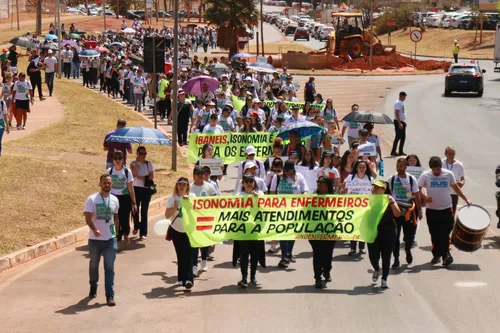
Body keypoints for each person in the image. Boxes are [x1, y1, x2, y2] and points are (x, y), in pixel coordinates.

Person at [418, 156, 471, 267]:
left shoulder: (448, 174)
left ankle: (446, 255)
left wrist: (466, 199)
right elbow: (417, 189)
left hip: (446, 208)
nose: (436, 172)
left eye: (437, 169)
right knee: (434, 233)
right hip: (432, 210)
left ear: (441, 167)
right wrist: (424, 197)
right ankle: (436, 255)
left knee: (445, 232)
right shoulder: (425, 175)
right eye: (434, 170)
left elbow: (456, 188)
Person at [83, 174, 119, 306]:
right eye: (105, 183)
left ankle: (110, 295)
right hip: (95, 240)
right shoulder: (92, 199)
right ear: (100, 184)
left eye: (109, 183)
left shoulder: (115, 200)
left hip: (110, 238)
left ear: (112, 184)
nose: (107, 185)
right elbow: (87, 217)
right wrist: (94, 230)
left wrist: (117, 234)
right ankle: (93, 286)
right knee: (94, 265)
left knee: (109, 267)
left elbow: (116, 218)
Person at [270, 160, 309, 268]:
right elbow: (272, 193)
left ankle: (289, 253)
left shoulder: (299, 177)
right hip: (281, 210)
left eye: (289, 171)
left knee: (292, 233)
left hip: (295, 211)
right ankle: (284, 257)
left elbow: (305, 191)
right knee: (283, 233)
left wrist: (304, 198)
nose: (287, 173)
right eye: (285, 171)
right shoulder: (277, 177)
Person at [387, 158, 421, 268]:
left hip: (408, 211)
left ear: (405, 167)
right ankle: (396, 259)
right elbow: (386, 195)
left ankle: (408, 250)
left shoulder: (411, 179)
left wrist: (419, 210)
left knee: (409, 236)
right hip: (396, 211)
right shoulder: (391, 179)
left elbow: (416, 195)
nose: (399, 168)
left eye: (401, 166)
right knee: (395, 237)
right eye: (397, 166)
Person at [234, 173, 265, 288]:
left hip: (256, 230)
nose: (248, 183)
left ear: (254, 183)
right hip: (243, 230)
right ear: (242, 184)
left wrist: (258, 199)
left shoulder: (260, 194)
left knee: (255, 255)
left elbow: (266, 209)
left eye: (250, 181)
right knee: (244, 254)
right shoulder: (239, 196)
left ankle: (253, 276)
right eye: (246, 181)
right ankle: (244, 278)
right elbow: (234, 211)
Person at [368, 180, 401, 289]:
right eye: (375, 187)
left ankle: (384, 279)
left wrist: (391, 202)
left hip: (389, 231)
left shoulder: (389, 199)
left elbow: (397, 214)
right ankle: (377, 269)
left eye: (379, 187)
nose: (376, 189)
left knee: (386, 256)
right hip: (373, 230)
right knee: (373, 256)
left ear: (384, 190)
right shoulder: (368, 199)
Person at [165, 177, 195, 289]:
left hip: (188, 230)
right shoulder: (172, 199)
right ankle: (181, 278)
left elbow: (196, 213)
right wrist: (175, 207)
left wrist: (188, 204)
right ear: (177, 186)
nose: (181, 186)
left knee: (189, 254)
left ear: (187, 186)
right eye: (179, 184)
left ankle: (189, 279)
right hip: (176, 230)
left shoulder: (192, 198)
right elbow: (167, 215)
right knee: (180, 254)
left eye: (184, 184)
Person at [343, 160, 375, 256]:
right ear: (356, 168)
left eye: (363, 167)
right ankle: (353, 248)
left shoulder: (370, 179)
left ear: (366, 168)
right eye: (360, 167)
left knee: (363, 227)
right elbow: (344, 189)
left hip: (365, 208)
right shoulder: (350, 178)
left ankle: (361, 247)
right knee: (353, 227)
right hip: (353, 207)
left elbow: (374, 192)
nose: (362, 169)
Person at [309, 176, 336, 289]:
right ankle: (318, 278)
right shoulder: (312, 198)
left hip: (330, 232)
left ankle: (327, 270)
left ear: (328, 185)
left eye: (322, 183)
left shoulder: (334, 199)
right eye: (318, 182)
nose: (319, 185)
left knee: (328, 255)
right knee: (317, 254)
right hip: (315, 231)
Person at [106, 151, 137, 248]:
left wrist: (134, 202)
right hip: (113, 198)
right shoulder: (109, 171)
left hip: (124, 198)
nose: (118, 160)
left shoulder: (127, 172)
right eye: (116, 159)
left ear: (123, 160)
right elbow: (106, 187)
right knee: (115, 220)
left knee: (124, 219)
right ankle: (117, 242)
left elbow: (131, 189)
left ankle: (126, 234)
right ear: (113, 160)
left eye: (120, 158)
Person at [191, 166, 217, 276]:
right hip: (193, 219)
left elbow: (215, 201)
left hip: (206, 219)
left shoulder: (210, 187)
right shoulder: (190, 187)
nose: (201, 175)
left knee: (204, 242)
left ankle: (204, 261)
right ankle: (194, 266)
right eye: (198, 173)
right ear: (194, 176)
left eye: (202, 173)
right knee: (195, 243)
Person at [130, 146, 155, 240]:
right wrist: (137, 163)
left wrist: (140, 177)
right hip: (135, 189)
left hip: (146, 189)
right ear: (137, 154)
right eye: (140, 153)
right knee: (134, 210)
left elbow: (151, 177)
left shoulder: (149, 164)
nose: (142, 156)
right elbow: (133, 174)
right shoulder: (133, 163)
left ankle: (143, 233)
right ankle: (136, 226)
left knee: (144, 211)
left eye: (144, 154)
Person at [442, 146, 466, 214]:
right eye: (449, 154)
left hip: (454, 193)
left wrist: (462, 183)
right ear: (445, 154)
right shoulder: (441, 163)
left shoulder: (459, 165)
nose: (451, 156)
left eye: (453, 154)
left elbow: (462, 179)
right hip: (442, 193)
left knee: (452, 214)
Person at [391, 91, 407, 157]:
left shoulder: (401, 102)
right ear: (401, 96)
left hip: (401, 121)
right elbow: (397, 113)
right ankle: (393, 151)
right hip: (398, 121)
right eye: (404, 96)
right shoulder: (398, 103)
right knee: (398, 137)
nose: (405, 98)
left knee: (403, 137)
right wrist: (399, 123)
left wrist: (403, 122)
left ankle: (400, 151)